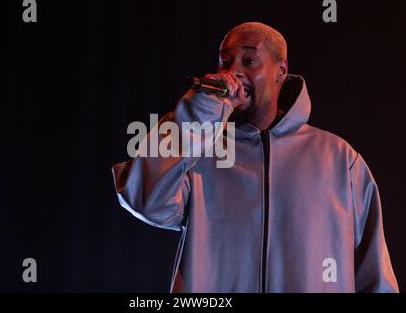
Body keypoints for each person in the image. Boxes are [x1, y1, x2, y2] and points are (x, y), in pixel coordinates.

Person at [111, 22, 399, 292]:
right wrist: (196, 120)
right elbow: (147, 203)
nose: (233, 72)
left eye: (249, 61)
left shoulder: (339, 158)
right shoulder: (199, 151)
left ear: (281, 70)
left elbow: (374, 270)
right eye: (226, 61)